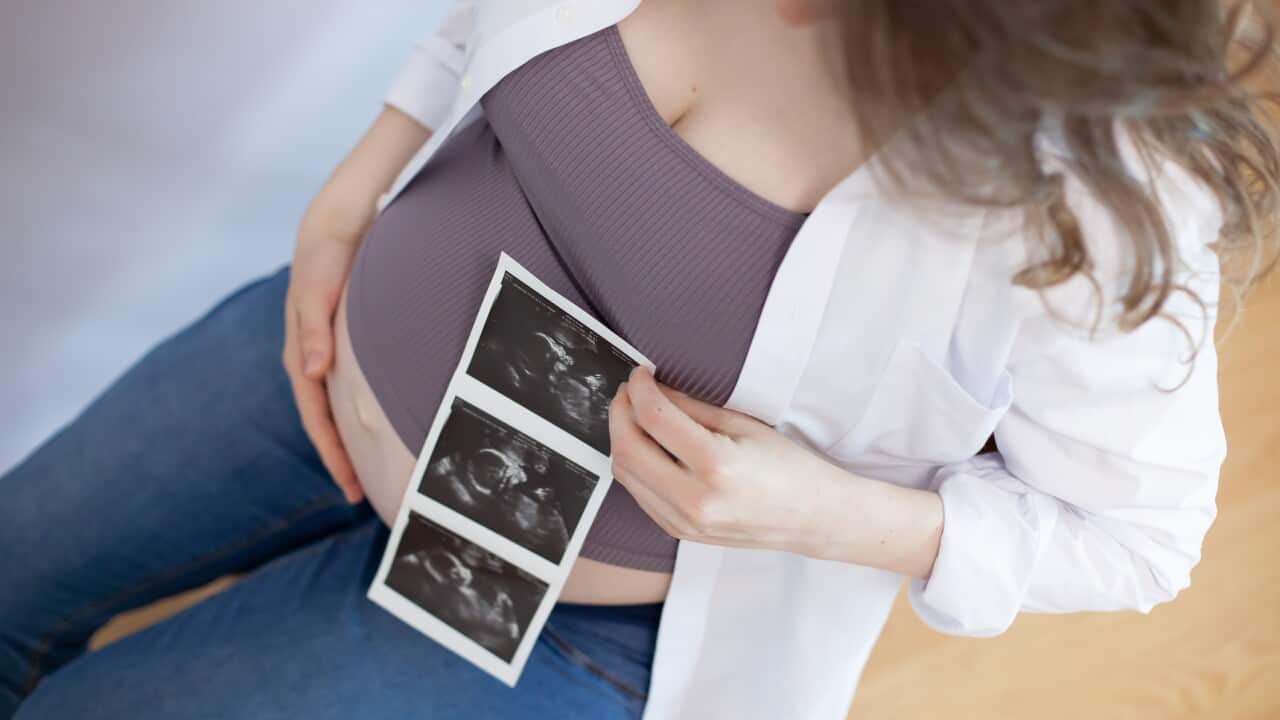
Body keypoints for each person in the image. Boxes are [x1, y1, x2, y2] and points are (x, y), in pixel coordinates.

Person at [3, 1, 1277, 718]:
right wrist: (367, 168)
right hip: (319, 361)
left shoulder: (1100, 218)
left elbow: (1142, 543)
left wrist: (839, 517)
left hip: (564, 629)